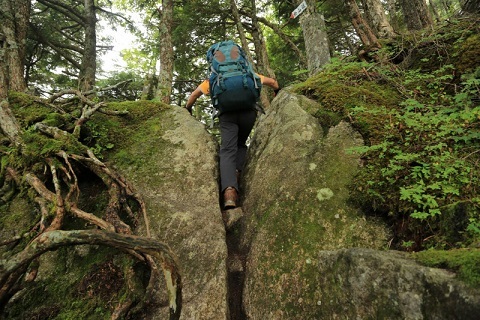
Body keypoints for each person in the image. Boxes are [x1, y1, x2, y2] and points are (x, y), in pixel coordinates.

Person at [185, 74, 280, 209]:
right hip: (248, 113)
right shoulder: (247, 74)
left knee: (228, 149)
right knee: (240, 144)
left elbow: (194, 95)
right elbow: (272, 82)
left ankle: (230, 193)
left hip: (227, 114)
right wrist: (277, 91)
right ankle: (237, 174)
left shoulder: (214, 79)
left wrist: (187, 108)